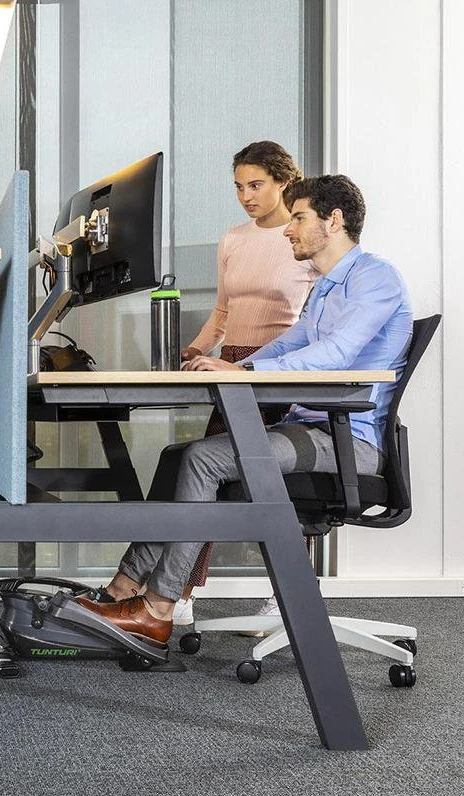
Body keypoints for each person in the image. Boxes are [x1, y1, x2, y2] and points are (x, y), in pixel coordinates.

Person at [80, 174, 413, 646]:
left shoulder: (375, 277)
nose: (288, 229)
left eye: (299, 218)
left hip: (347, 443)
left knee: (204, 459)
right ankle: (124, 587)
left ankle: (157, 608)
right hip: (310, 430)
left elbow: (337, 353)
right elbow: (290, 344)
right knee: (179, 455)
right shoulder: (323, 287)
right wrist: (234, 366)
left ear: (334, 220)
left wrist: (244, 371)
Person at [172, 141, 319, 625]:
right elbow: (222, 312)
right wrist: (194, 351)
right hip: (231, 368)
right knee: (206, 480)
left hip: (279, 370)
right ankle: (181, 592)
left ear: (284, 182)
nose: (246, 196)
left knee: (281, 485)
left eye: (256, 185)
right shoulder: (233, 239)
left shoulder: (304, 239)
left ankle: (288, 594)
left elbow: (314, 322)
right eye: (238, 187)